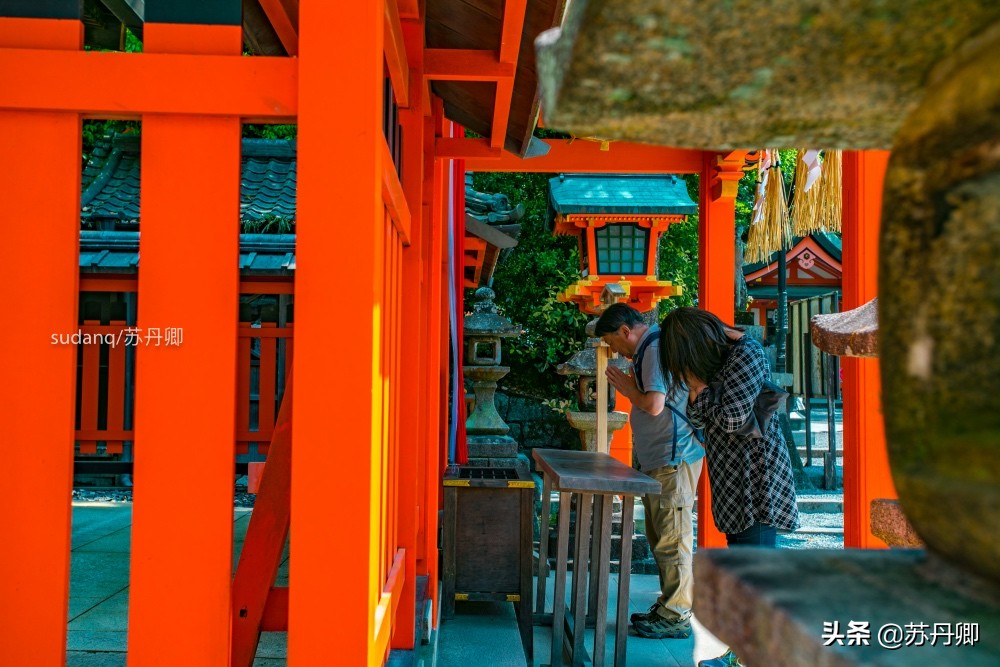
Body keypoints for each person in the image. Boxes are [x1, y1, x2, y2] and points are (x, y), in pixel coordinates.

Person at [658, 307, 800, 667]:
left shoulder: (746, 354)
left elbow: (733, 417)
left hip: (757, 481)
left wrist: (699, 393)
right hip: (733, 480)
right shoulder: (722, 360)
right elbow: (696, 416)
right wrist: (701, 395)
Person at [595, 304, 704, 640]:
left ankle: (677, 615)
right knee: (662, 536)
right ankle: (669, 605)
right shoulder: (647, 350)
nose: (615, 350)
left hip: (674, 456)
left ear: (626, 330)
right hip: (662, 458)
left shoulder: (653, 347)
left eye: (614, 342)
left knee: (673, 538)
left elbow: (655, 404)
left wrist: (627, 389)